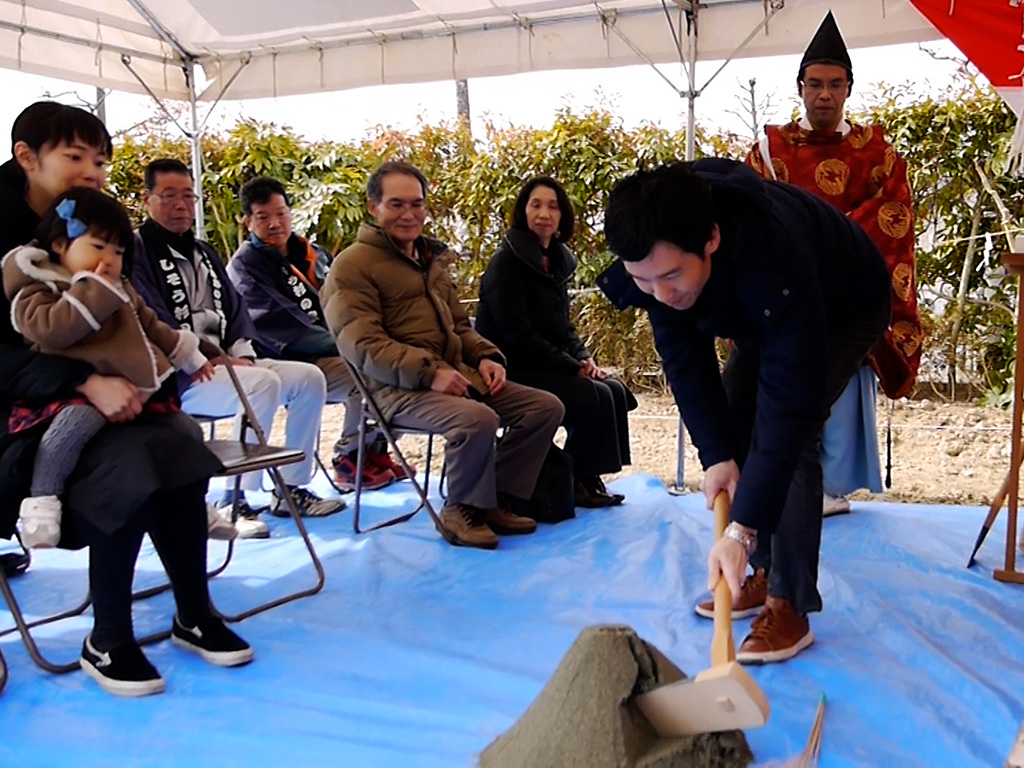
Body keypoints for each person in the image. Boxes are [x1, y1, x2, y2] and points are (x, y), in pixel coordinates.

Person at [0, 101, 252, 696]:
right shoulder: (17, 255)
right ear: (27, 157)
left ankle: (195, 612)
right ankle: (108, 637)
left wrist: (166, 369)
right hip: (24, 408)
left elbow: (140, 321)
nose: (92, 169)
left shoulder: (101, 228)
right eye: (75, 156)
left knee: (181, 451)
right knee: (129, 465)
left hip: (112, 402)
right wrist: (82, 383)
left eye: (102, 159)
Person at [599, 159, 890, 663]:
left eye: (671, 276)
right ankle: (757, 571)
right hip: (764, 313)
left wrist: (741, 527)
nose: (662, 295)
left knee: (792, 439)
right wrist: (715, 455)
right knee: (733, 426)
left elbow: (787, 412)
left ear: (710, 239)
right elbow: (686, 363)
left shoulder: (772, 256)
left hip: (842, 304)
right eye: (644, 282)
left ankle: (789, 601)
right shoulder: (659, 261)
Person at [322, 160, 564, 550]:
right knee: (477, 419)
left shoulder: (429, 260)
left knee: (544, 407)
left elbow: (460, 326)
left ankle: (493, 499)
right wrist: (429, 373)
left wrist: (487, 357)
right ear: (373, 207)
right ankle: (461, 509)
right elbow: (362, 344)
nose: (409, 214)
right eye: (396, 204)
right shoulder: (352, 266)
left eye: (416, 204)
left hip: (451, 377)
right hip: (391, 389)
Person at [746, 11, 922, 518]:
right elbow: (750, 218)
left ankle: (832, 487)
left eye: (835, 85)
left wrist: (830, 246)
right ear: (800, 88)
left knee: (838, 385)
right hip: (786, 294)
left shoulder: (878, 153)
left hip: (847, 293)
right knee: (782, 385)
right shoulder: (768, 151)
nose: (825, 94)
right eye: (815, 84)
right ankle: (775, 480)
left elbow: (893, 215)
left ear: (848, 89)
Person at [131, 159, 345, 524]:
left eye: (187, 195)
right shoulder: (136, 251)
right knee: (263, 382)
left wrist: (241, 352)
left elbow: (236, 310)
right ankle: (236, 498)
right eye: (168, 196)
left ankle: (290, 488)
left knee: (309, 378)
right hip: (179, 374)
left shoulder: (204, 251)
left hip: (228, 365)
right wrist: (199, 358)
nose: (181, 205)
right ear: (146, 199)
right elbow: (149, 317)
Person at [3, 188, 213, 548]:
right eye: (98, 247)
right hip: (77, 391)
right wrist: (93, 291)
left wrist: (187, 353)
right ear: (59, 245)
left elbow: (151, 324)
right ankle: (43, 501)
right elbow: (48, 329)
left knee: (187, 431)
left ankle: (196, 504)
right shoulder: (39, 285)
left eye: (118, 251)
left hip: (135, 389)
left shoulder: (119, 287)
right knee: (68, 434)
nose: (110, 259)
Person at [226, 176, 404, 492]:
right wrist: (358, 345)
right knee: (368, 374)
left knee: (401, 368)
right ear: (247, 221)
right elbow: (289, 330)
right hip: (289, 361)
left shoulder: (310, 253)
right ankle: (350, 458)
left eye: (280, 213)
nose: (274, 223)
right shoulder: (244, 267)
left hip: (333, 351)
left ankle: (374, 452)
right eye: (263, 217)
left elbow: (350, 301)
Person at [476, 176, 636, 508]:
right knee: (592, 394)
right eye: (536, 205)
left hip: (547, 364)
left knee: (614, 390)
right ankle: (574, 479)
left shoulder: (556, 261)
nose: (544, 213)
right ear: (523, 211)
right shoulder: (507, 263)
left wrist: (583, 357)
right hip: (512, 367)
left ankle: (581, 475)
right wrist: (571, 367)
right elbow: (517, 337)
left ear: (562, 215)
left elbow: (564, 328)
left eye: (552, 206)